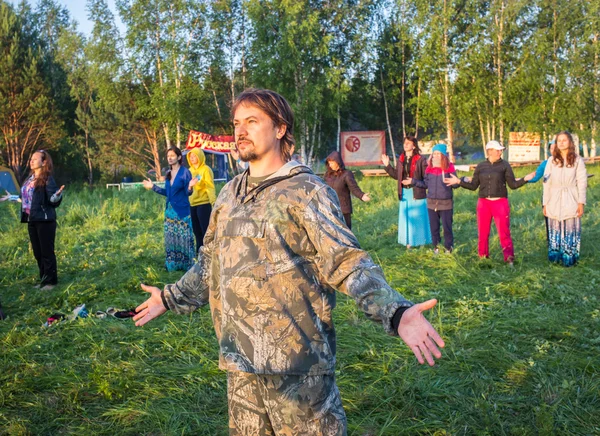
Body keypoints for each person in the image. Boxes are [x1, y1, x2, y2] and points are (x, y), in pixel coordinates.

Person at [133, 89, 444, 435]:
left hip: (298, 369)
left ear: (280, 128)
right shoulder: (229, 194)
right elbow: (210, 262)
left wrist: (396, 312)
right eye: (237, 123)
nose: (240, 131)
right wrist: (169, 297)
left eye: (252, 121)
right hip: (240, 365)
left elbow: (347, 261)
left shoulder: (306, 192)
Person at [444, 141, 533, 265]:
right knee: (483, 233)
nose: (500, 152)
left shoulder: (505, 165)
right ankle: (483, 258)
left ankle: (509, 259)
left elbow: (512, 185)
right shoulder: (481, 166)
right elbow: (474, 186)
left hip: (500, 203)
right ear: (489, 151)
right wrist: (459, 182)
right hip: (483, 203)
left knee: (504, 232)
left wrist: (525, 179)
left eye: (501, 150)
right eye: (498, 150)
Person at [0, 151, 64, 290]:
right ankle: (44, 280)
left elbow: (53, 201)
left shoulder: (47, 179)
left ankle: (51, 282)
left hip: (45, 220)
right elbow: (27, 198)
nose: (31, 161)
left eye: (35, 159)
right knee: (38, 252)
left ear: (44, 162)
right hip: (32, 219)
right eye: (31, 159)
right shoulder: (30, 178)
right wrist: (11, 197)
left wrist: (57, 196)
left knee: (47, 252)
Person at [143, 147, 195, 272]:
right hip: (170, 211)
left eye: (172, 155)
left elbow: (188, 193)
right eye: (168, 156)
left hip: (182, 211)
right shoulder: (168, 173)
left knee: (184, 238)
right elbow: (168, 192)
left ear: (178, 157)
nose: (170, 158)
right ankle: (172, 265)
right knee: (171, 238)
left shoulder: (185, 172)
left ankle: (187, 265)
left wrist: (190, 187)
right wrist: (153, 187)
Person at [542, 131, 587, 266]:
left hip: (571, 196)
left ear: (570, 142)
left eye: (564, 140)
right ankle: (555, 257)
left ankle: (569, 257)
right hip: (554, 198)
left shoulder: (577, 160)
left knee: (570, 225)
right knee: (555, 225)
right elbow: (546, 183)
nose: (561, 142)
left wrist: (581, 202)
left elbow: (582, 182)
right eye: (559, 140)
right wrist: (545, 203)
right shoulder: (551, 160)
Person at [404, 144, 458, 254]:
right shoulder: (429, 168)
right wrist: (413, 181)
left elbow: (455, 184)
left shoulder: (449, 167)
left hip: (446, 203)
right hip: (432, 203)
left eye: (439, 153)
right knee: (434, 228)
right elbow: (425, 184)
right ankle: (436, 248)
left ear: (443, 155)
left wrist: (457, 182)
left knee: (447, 228)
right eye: (434, 153)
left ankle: (448, 248)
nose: (436, 156)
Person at [382, 136, 432, 248]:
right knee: (407, 219)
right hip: (404, 193)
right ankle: (408, 242)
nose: (405, 145)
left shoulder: (421, 160)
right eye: (404, 143)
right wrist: (387, 165)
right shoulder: (401, 159)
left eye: (408, 143)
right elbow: (397, 176)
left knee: (418, 218)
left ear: (414, 146)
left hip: (417, 193)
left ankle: (421, 243)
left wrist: (413, 181)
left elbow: (427, 181)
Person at [324, 151, 370, 229]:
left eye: (332, 162)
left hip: (343, 209)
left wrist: (362, 196)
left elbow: (353, 188)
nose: (330, 165)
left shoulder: (346, 174)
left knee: (345, 233)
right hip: (330, 208)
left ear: (337, 162)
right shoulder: (327, 175)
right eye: (329, 163)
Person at [524, 140, 556, 244]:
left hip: (565, 197)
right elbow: (535, 177)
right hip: (549, 197)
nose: (554, 150)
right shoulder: (545, 164)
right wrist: (521, 179)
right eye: (551, 148)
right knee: (549, 220)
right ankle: (550, 241)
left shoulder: (569, 162)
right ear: (549, 150)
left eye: (556, 148)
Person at [186, 148, 216, 252]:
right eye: (191, 156)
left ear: (200, 157)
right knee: (196, 230)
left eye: (194, 156)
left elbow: (210, 186)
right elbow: (186, 187)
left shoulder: (206, 169)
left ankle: (209, 252)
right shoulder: (189, 171)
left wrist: (214, 202)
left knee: (205, 230)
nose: (192, 158)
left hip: (203, 204)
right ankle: (199, 253)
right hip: (192, 204)